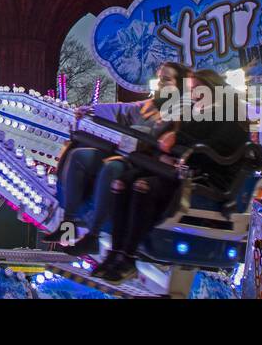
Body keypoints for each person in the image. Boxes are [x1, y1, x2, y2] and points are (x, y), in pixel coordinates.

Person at [93, 68, 250, 282]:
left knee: (143, 186)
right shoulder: (195, 115)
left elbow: (212, 152)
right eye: (191, 90)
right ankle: (115, 252)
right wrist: (170, 149)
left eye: (197, 90)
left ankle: (128, 257)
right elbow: (179, 141)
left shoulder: (230, 120)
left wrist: (181, 153)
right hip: (182, 172)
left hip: (205, 180)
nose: (193, 95)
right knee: (122, 182)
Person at [45, 62, 188, 258]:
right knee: (78, 156)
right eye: (160, 78)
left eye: (167, 79)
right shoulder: (147, 105)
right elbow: (119, 110)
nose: (161, 84)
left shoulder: (180, 112)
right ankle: (68, 223)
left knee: (110, 168)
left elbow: (172, 143)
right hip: (124, 154)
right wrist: (90, 110)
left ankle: (93, 237)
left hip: (143, 164)